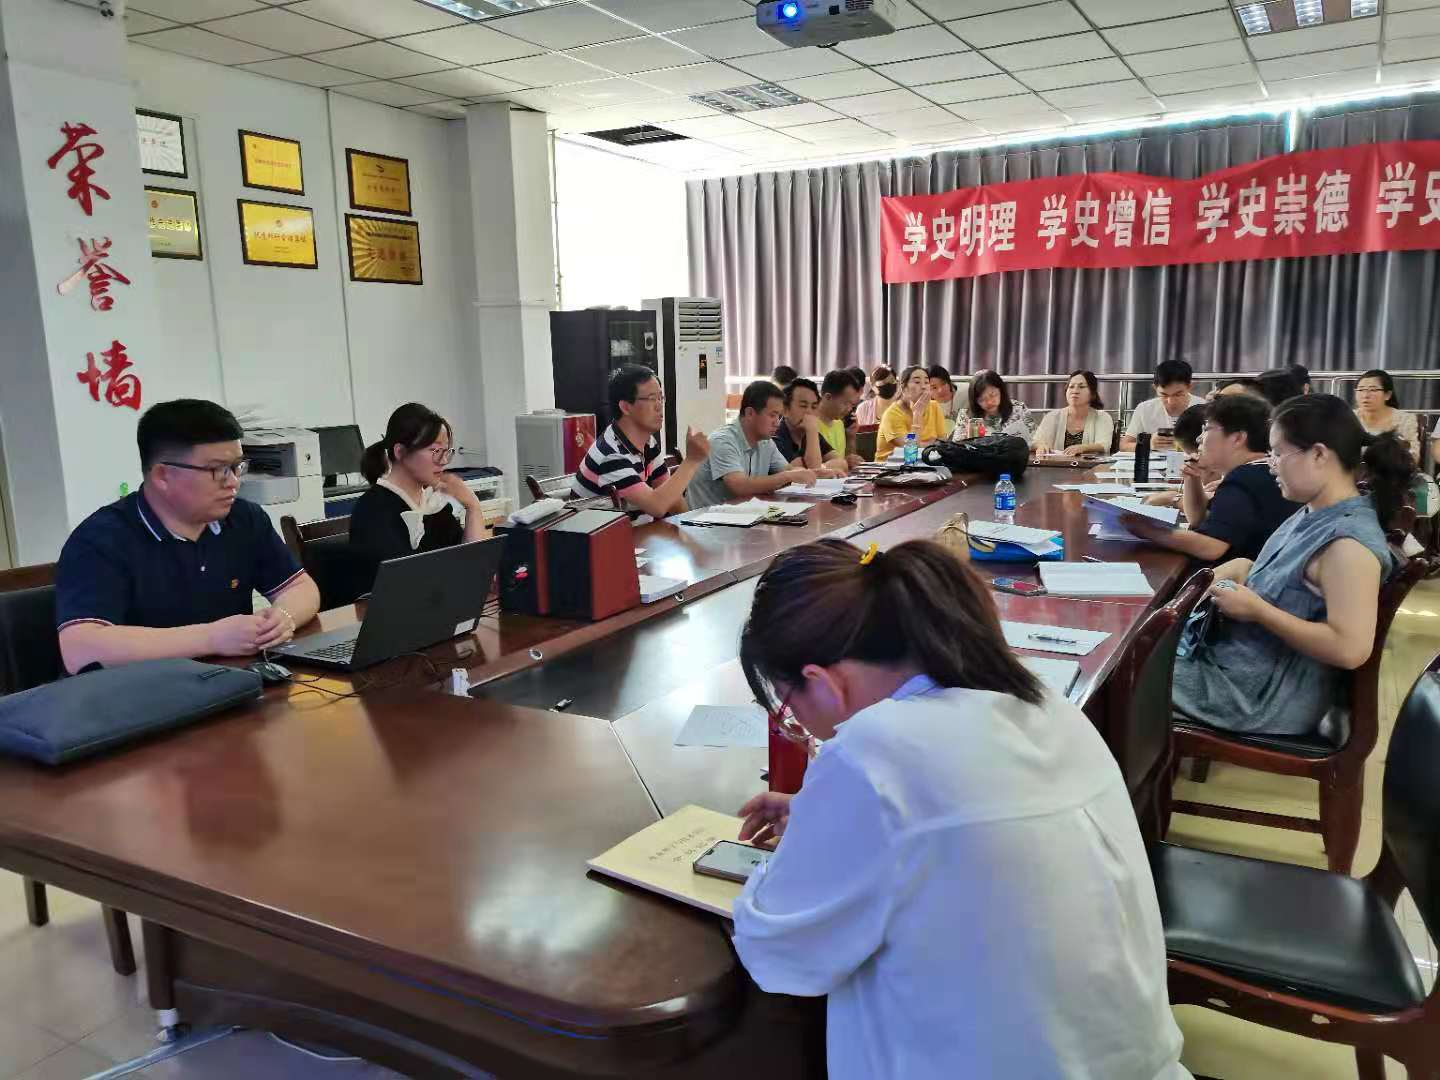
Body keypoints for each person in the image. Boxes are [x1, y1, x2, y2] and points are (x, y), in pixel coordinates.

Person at [729, 539, 1189, 1080]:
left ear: (822, 681)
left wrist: (812, 838)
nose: (797, 725)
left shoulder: (874, 752)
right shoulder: (1044, 703)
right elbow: (949, 829)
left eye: (788, 707)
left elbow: (781, 956)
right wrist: (825, 819)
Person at [1171, 395, 1413, 737]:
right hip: (1238, 671)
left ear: (1318, 455)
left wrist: (1258, 611)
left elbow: (1350, 649)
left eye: (1277, 453)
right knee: (1135, 654)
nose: (1271, 465)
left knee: (1121, 670)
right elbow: (1293, 581)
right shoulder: (1316, 510)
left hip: (1255, 698)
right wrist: (1245, 568)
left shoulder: (1348, 546)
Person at [55, 399, 321, 674]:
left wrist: (283, 617)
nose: (233, 481)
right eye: (217, 470)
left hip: (230, 681)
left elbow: (300, 587)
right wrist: (212, 638)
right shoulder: (101, 539)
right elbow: (81, 649)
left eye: (237, 466)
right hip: (136, 693)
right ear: (163, 475)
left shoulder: (244, 518)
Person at [1122, 395, 1301, 563]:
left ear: (1238, 438)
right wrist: (1192, 478)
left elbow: (1211, 546)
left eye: (1206, 429)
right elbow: (1198, 519)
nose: (1199, 438)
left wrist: (1147, 529)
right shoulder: (1260, 470)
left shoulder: (1244, 479)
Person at [348, 404, 491, 572]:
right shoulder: (373, 510)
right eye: (435, 450)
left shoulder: (433, 505)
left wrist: (473, 506)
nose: (444, 460)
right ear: (400, 452)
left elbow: (475, 568)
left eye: (446, 451)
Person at [571, 364, 709, 518]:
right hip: (603, 533)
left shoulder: (648, 442)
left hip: (637, 530)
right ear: (625, 407)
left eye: (660, 398)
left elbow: (672, 499)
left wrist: (693, 524)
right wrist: (692, 461)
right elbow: (656, 506)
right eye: (652, 399)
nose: (659, 406)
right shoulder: (610, 454)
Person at [686, 380, 817, 509]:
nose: (777, 423)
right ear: (750, 413)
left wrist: (811, 473)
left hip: (742, 515)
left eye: (779, 417)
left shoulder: (766, 442)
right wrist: (788, 476)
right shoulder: (722, 440)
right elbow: (739, 486)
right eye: (772, 415)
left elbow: (787, 470)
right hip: (705, 519)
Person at [1122, 360, 1204, 451]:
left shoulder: (1204, 408)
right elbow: (1124, 445)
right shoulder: (1145, 409)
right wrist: (1148, 444)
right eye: (1164, 395)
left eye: (1178, 394)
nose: (1171, 401)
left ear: (1189, 387)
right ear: (1155, 388)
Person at [773, 378, 846, 476]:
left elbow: (842, 463)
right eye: (803, 406)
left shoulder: (811, 433)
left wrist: (822, 468)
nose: (809, 412)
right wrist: (812, 431)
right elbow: (810, 470)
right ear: (785, 410)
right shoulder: (776, 437)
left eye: (814, 407)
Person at [1032, 370, 1114, 456]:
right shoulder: (1052, 416)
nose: (1075, 391)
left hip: (1089, 464)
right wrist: (1040, 446)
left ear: (1092, 394)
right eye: (1071, 387)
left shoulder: (1103, 417)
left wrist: (1083, 448)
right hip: (1055, 463)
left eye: (1081, 387)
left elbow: (1104, 445)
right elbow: (1035, 442)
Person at [876, 365, 946, 460]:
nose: (923, 387)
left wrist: (921, 445)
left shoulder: (934, 407)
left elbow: (942, 443)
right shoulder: (892, 414)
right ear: (904, 388)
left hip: (925, 463)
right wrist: (917, 414)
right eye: (917, 382)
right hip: (892, 466)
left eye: (926, 382)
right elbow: (910, 452)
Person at [1353, 368, 1421, 460]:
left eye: (1373, 390)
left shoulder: (1404, 419)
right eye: (1361, 390)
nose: (1365, 395)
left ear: (1387, 395)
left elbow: (1413, 457)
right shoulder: (1349, 417)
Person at [957, 369, 1032, 444]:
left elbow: (1034, 440)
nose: (989, 402)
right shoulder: (966, 415)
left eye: (992, 395)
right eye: (982, 399)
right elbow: (957, 445)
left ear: (1001, 391)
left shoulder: (1019, 408)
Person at [816, 370, 866, 470]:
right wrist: (844, 462)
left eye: (852, 405)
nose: (849, 409)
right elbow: (814, 468)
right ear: (828, 397)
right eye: (845, 403)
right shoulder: (809, 425)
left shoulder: (839, 423)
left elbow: (849, 463)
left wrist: (851, 437)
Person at [926, 364, 962, 432]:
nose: (940, 390)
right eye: (934, 387)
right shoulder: (923, 405)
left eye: (943, 384)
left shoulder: (966, 394)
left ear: (949, 382)